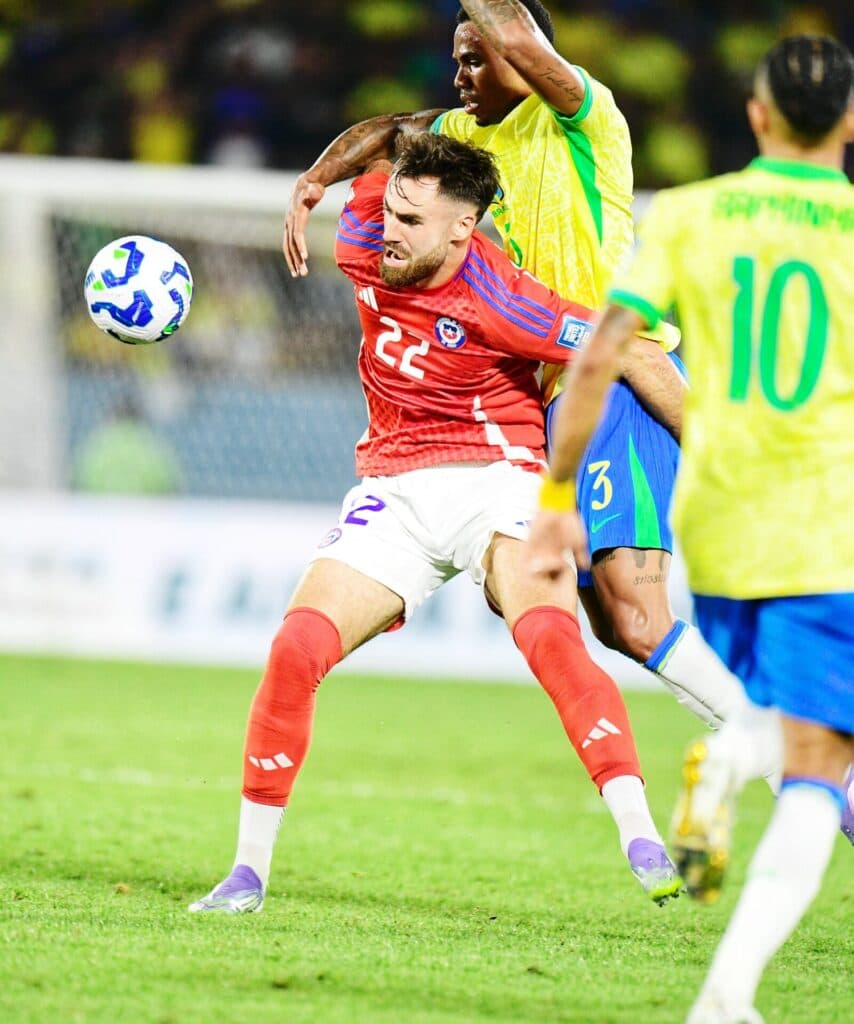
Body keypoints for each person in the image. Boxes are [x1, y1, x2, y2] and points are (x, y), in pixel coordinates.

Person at [190, 133, 685, 915]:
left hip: (499, 482)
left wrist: (721, 456)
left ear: (463, 229)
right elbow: (386, 134)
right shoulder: (362, 227)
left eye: (413, 221)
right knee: (295, 648)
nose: (391, 229)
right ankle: (246, 874)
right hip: (394, 487)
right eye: (391, 209)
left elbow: (627, 348)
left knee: (550, 636)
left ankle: (640, 834)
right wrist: (319, 175)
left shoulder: (504, 299)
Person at [283, 0, 752, 736]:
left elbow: (514, 30)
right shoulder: (462, 134)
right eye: (457, 58)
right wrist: (317, 176)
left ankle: (813, 765)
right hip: (554, 397)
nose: (461, 72)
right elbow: (382, 136)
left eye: (477, 57)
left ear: (522, 57)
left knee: (636, 611)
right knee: (618, 625)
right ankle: (789, 754)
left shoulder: (583, 117)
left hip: (616, 375)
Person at [526, 35, 854, 1024]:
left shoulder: (691, 214)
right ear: (846, 123)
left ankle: (732, 751)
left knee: (784, 724)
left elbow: (594, 360)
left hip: (713, 516)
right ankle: (724, 995)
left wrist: (551, 509)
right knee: (820, 764)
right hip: (819, 516)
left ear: (755, 116)